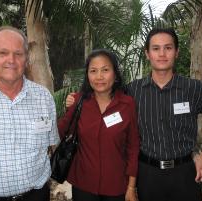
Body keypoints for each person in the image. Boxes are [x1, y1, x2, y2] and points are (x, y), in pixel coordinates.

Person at [66, 28, 202, 201]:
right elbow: (102, 92)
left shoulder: (195, 89)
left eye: (168, 48)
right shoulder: (132, 91)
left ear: (176, 52)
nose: (162, 54)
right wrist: (75, 99)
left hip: (184, 173)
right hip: (147, 175)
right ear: (147, 53)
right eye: (156, 48)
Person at [0, 26, 59, 201]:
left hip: (36, 196)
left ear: (26, 59)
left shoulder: (43, 98)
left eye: (18, 54)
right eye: (3, 53)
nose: (11, 60)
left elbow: (51, 143)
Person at [58, 49, 140, 201]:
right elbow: (60, 132)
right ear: (87, 75)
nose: (99, 77)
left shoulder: (127, 104)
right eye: (93, 71)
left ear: (115, 74)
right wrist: (68, 108)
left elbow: (133, 147)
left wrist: (131, 187)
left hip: (116, 186)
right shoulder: (79, 101)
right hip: (83, 185)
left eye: (105, 70)